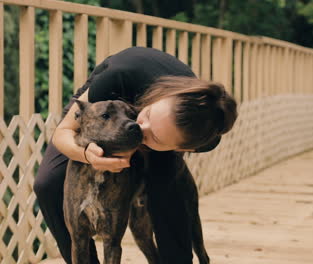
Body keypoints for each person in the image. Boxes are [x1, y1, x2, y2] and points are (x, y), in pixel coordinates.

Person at [33, 47, 238, 264]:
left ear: (182, 149)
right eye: (147, 115)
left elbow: (163, 143)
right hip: (112, 98)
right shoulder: (118, 76)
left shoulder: (205, 132)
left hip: (168, 132)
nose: (141, 129)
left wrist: (153, 146)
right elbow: (63, 132)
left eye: (154, 137)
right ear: (163, 96)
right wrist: (86, 155)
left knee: (166, 190)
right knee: (47, 184)